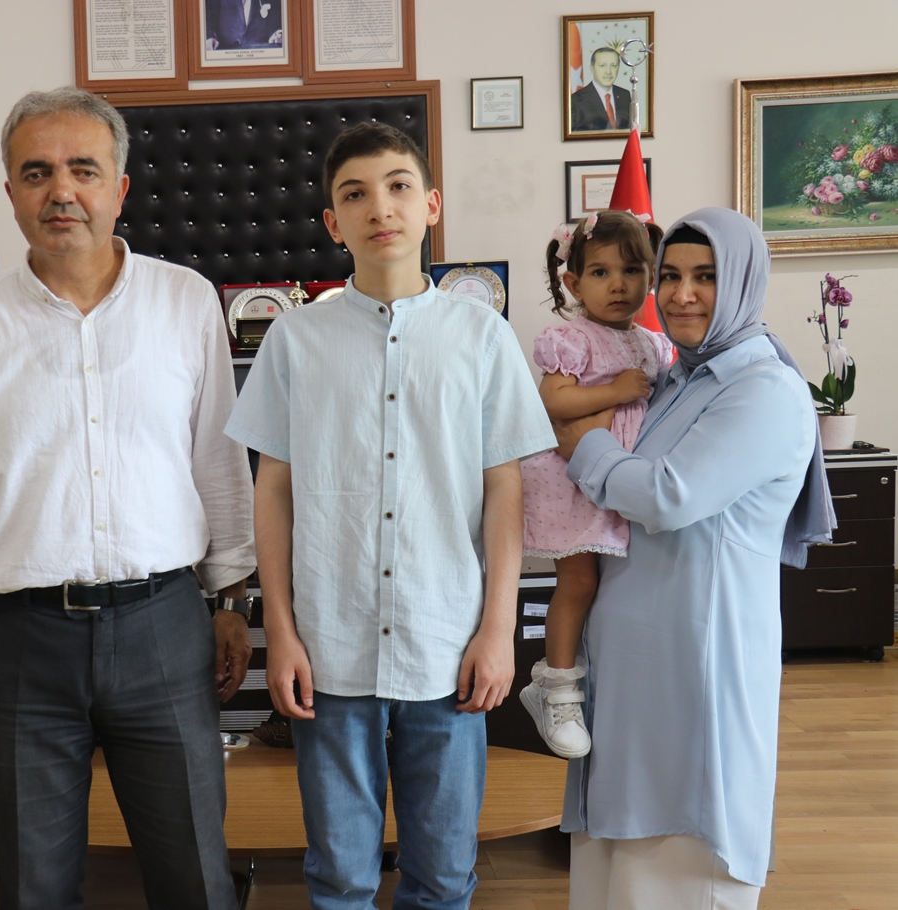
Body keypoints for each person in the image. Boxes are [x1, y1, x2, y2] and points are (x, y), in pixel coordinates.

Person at [0, 86, 255, 910]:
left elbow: (218, 461)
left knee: (195, 876)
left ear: (119, 188)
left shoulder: (186, 301)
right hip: (17, 642)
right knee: (34, 885)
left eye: (83, 170)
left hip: (163, 629)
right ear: (11, 192)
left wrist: (232, 603)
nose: (61, 190)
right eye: (37, 172)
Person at [226, 122, 555, 909]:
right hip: (330, 643)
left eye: (399, 186)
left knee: (443, 874)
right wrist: (280, 633)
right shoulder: (295, 340)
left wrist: (497, 630)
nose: (381, 207)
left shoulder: (483, 336)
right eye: (356, 194)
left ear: (432, 204)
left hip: (447, 639)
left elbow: (505, 489)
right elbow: (273, 491)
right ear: (333, 222)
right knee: (340, 875)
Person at [554, 207, 833, 910]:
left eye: (705, 277)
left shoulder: (763, 389)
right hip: (631, 668)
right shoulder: (676, 379)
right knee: (612, 874)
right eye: (671, 275)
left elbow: (666, 496)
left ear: (741, 282)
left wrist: (584, 444)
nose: (681, 294)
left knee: (679, 863)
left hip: (695, 668)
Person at [518, 210, 674, 759]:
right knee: (579, 583)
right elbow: (554, 401)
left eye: (631, 271)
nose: (618, 285)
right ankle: (554, 687)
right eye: (601, 272)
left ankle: (607, 680)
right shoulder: (571, 338)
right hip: (574, 485)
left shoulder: (653, 344)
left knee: (618, 592)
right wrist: (618, 391)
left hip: (624, 480)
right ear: (573, 282)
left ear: (650, 277)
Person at [570, 47, 632, 132]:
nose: (608, 72)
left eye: (613, 66)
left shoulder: (624, 95)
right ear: (592, 68)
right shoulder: (577, 100)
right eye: (602, 65)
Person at [205, 0, 284, 49]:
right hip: (226, 50)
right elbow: (208, 19)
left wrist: (276, 34)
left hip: (261, 50)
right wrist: (210, 36)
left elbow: (278, 18)